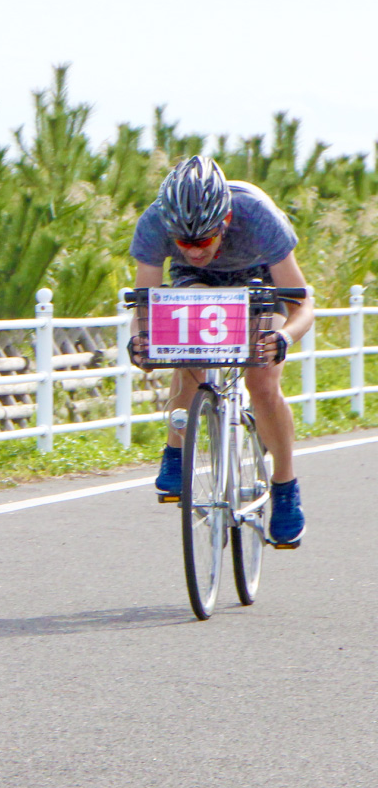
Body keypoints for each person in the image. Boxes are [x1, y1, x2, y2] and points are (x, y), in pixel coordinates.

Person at [129, 155, 313, 547]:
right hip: (195, 284)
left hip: (258, 276)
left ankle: (284, 485)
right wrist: (140, 341)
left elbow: (303, 305)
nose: (194, 249)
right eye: (183, 242)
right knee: (187, 349)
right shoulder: (155, 222)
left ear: (226, 222)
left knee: (262, 379)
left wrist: (285, 339)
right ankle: (175, 450)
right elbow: (145, 304)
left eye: (204, 240)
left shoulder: (258, 215)